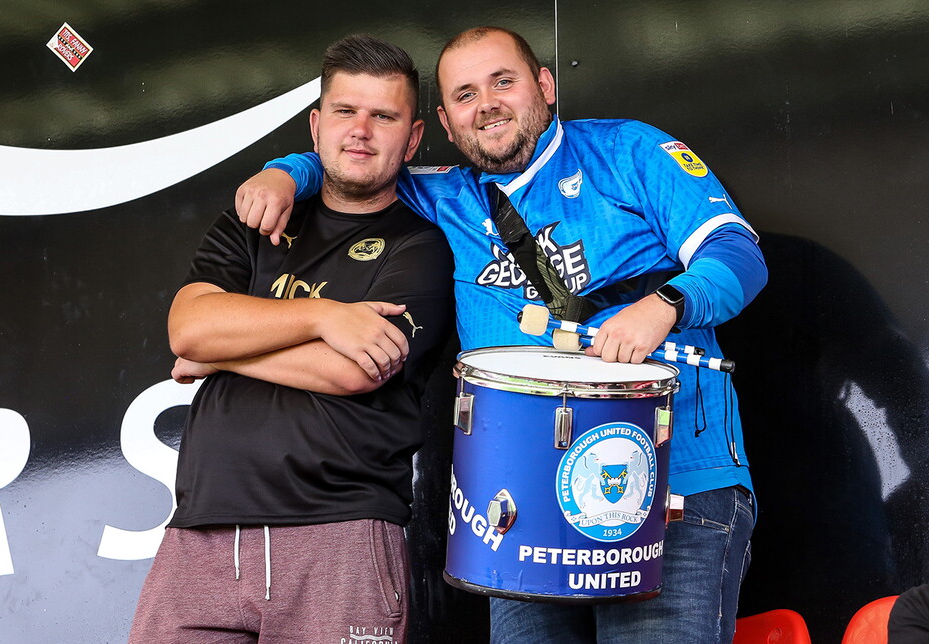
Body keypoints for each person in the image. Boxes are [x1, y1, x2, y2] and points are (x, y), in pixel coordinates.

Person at [235, 26, 767, 644]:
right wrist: (284, 172)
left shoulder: (631, 152)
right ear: (443, 121)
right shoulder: (440, 195)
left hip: (668, 484)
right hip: (518, 503)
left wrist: (666, 304)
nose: (485, 103)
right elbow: (356, 162)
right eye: (464, 94)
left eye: (503, 81)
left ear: (545, 85)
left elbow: (738, 252)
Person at [128, 35, 454, 643]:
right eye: (344, 112)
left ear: (412, 138)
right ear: (316, 124)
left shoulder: (423, 246)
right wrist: (323, 317)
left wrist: (224, 354)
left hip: (342, 536)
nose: (360, 131)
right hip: (202, 532)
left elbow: (356, 370)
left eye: (383, 116)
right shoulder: (257, 221)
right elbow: (189, 327)